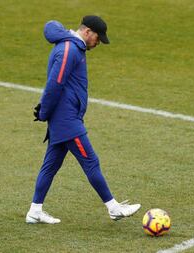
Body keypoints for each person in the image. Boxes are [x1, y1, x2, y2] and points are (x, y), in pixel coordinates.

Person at [26, 15, 141, 224]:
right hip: (67, 121)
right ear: (87, 32)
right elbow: (55, 83)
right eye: (98, 38)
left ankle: (34, 211)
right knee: (90, 161)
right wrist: (44, 112)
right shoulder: (69, 50)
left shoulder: (73, 48)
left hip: (66, 118)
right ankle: (113, 208)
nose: (98, 43)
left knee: (51, 165)